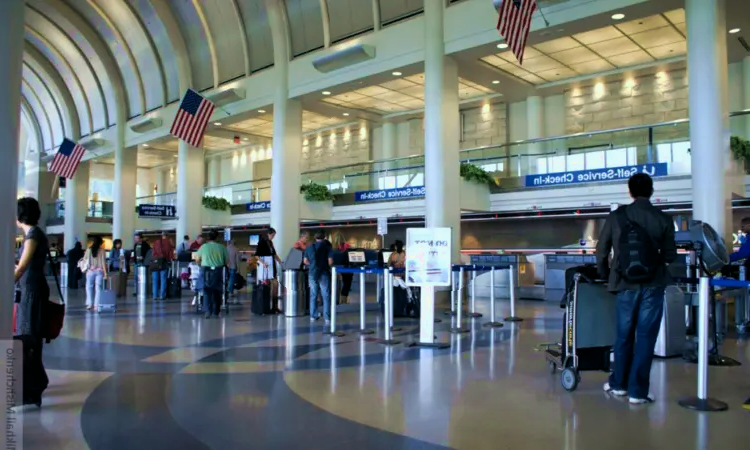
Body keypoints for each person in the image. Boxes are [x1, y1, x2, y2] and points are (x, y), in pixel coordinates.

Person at [596, 173, 677, 405]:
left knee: (623, 336)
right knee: (645, 337)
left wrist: (604, 276)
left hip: (624, 283)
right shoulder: (663, 218)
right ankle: (638, 392)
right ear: (651, 191)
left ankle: (618, 384)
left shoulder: (616, 217)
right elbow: (670, 255)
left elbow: (601, 251)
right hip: (653, 284)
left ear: (630, 191)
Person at [14, 197, 50, 407]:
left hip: (32, 292)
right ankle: (33, 384)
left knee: (29, 339)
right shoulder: (32, 234)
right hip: (30, 290)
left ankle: (34, 387)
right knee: (28, 338)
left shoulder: (33, 235)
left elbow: (22, 267)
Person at [194, 230, 229, 318]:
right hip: (218, 271)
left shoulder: (203, 247)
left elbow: (197, 259)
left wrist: (200, 264)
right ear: (217, 238)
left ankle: (207, 311)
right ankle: (216, 311)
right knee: (217, 291)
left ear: (208, 238)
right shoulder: (222, 247)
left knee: (206, 291)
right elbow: (227, 261)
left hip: (206, 271)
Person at [304, 230, 334, 324]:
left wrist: (313, 264)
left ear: (315, 238)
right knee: (326, 295)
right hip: (324, 273)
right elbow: (330, 262)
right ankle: (327, 317)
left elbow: (305, 261)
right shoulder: (327, 247)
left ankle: (313, 316)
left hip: (312, 273)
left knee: (313, 295)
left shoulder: (309, 248)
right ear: (324, 237)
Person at [255, 228, 283, 313]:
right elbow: (256, 255)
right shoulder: (261, 242)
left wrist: (280, 262)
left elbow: (274, 255)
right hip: (265, 267)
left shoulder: (270, 243)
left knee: (275, 285)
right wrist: (263, 263)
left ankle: (275, 307)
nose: (273, 237)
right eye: (272, 235)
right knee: (267, 287)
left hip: (272, 266)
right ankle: (265, 307)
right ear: (268, 234)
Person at [84, 236, 109, 311]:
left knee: (89, 287)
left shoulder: (89, 250)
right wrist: (105, 273)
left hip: (90, 271)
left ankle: (89, 304)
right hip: (99, 271)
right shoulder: (102, 251)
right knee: (98, 288)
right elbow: (104, 263)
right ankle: (96, 305)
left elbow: (85, 260)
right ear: (100, 243)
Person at [151, 231, 174, 300]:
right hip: (164, 262)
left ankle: (155, 295)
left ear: (162, 235)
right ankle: (162, 295)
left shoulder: (156, 242)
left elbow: (153, 253)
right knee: (163, 279)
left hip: (155, 263)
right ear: (167, 236)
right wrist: (170, 259)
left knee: (155, 280)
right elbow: (171, 255)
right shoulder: (168, 243)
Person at [332, 231, 352, 304]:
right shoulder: (347, 246)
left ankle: (336, 299)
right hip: (347, 267)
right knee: (347, 283)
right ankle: (344, 300)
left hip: (335, 267)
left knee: (336, 283)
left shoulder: (333, 247)